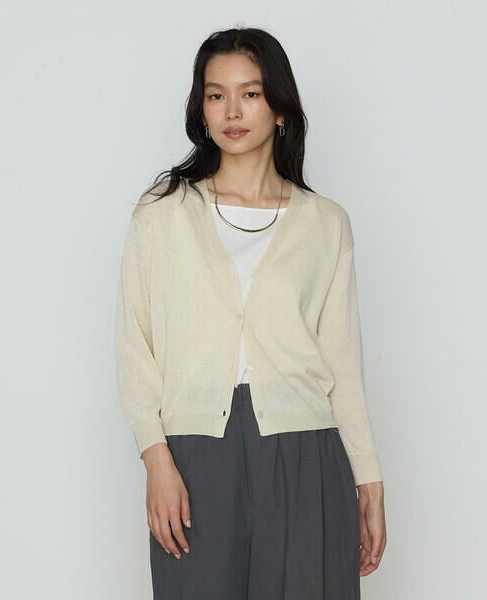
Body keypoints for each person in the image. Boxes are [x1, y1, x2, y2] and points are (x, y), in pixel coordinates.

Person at [115, 26, 387, 600]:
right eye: (216, 95)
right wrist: (156, 458)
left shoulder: (325, 224)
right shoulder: (162, 214)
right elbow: (134, 346)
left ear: (280, 108)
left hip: (305, 449)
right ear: (201, 109)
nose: (232, 111)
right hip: (195, 452)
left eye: (251, 94)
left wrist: (368, 477)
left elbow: (342, 362)